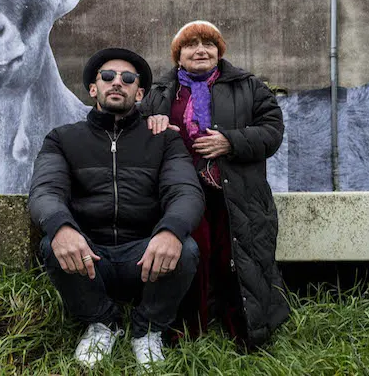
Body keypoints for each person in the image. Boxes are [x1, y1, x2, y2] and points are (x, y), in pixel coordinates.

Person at [29, 48, 204, 369]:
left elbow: (186, 191)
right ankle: (102, 323)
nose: (116, 83)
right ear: (93, 89)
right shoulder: (62, 139)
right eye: (107, 77)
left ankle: (147, 329)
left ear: (139, 92)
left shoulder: (164, 140)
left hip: (145, 256)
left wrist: (171, 231)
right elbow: (45, 190)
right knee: (52, 244)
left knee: (186, 248)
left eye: (127, 78)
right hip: (89, 256)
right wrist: (62, 227)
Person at [141, 20, 290, 350]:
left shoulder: (247, 86)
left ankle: (246, 330)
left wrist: (231, 141)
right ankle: (188, 331)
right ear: (178, 55)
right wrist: (152, 125)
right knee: (192, 257)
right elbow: (137, 140)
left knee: (239, 258)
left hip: (236, 192)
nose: (200, 50)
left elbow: (272, 130)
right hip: (181, 196)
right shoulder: (159, 93)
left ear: (219, 52)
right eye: (190, 44)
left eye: (208, 43)